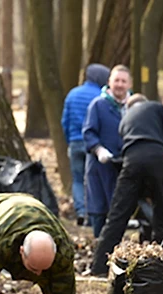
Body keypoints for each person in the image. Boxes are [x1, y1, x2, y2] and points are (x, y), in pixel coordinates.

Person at [90, 94, 163, 276]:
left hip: (131, 162)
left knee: (117, 215)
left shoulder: (124, 121)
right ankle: (160, 265)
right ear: (144, 103)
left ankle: (99, 266)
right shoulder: (156, 107)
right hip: (156, 159)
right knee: (161, 211)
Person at [82, 65, 131, 238]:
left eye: (123, 81)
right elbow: (88, 132)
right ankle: (99, 249)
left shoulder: (133, 106)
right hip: (100, 166)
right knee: (99, 209)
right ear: (109, 82)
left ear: (129, 84)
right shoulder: (98, 105)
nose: (119, 84)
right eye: (116, 80)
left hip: (124, 167)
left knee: (119, 210)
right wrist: (98, 149)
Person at [61, 63, 110, 227]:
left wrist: (70, 140)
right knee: (92, 179)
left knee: (77, 179)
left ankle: (81, 211)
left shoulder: (72, 94)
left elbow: (65, 121)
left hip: (75, 142)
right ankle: (92, 213)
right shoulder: (101, 97)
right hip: (93, 144)